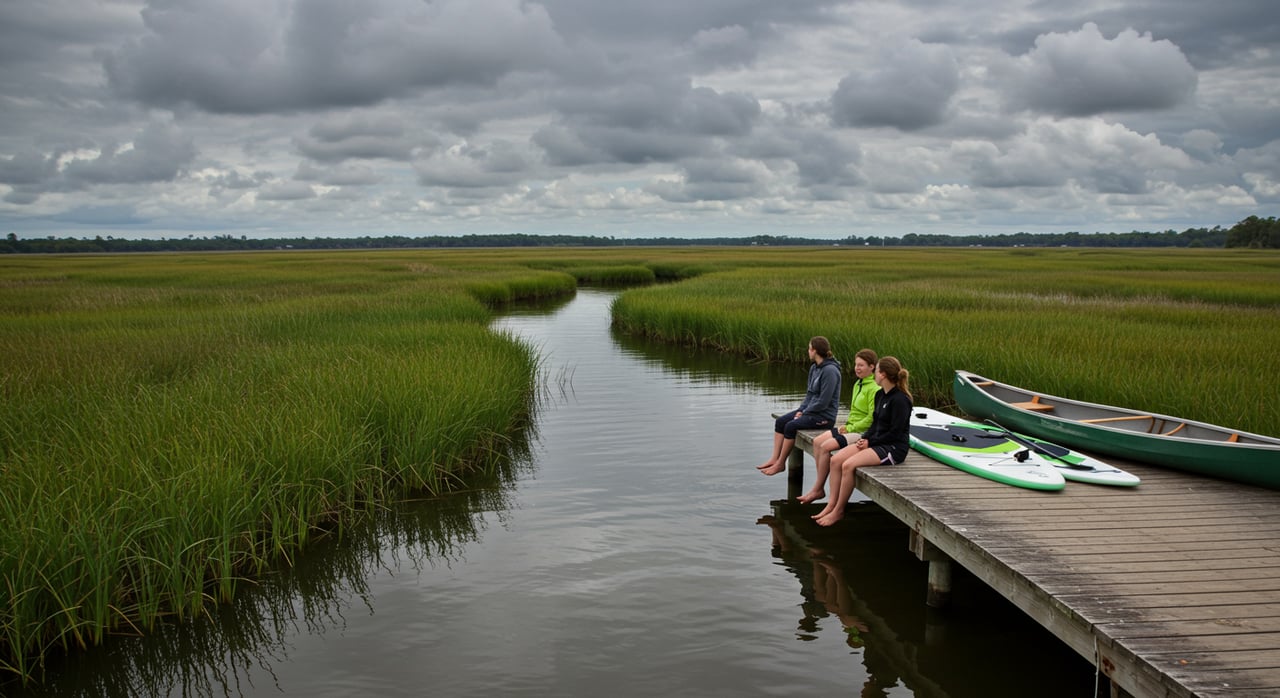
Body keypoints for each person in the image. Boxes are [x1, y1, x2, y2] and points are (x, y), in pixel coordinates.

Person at [813, 356, 912, 526]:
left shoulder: (901, 400)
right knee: (836, 460)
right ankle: (831, 504)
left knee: (848, 465)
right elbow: (875, 424)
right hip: (877, 442)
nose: (874, 375)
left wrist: (870, 443)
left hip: (893, 448)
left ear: (883, 374)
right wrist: (865, 438)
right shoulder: (880, 395)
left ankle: (839, 511)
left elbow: (895, 433)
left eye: (877, 371)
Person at [797, 348, 879, 504]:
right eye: (856, 365)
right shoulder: (858, 384)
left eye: (861, 365)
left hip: (861, 432)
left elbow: (871, 418)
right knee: (817, 441)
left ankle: (818, 488)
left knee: (826, 446)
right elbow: (855, 412)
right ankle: (819, 487)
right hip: (850, 427)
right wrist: (847, 426)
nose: (857, 368)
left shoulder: (875, 389)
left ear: (872, 367)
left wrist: (850, 428)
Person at [757, 337, 842, 476]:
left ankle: (780, 464)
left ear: (814, 351)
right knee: (781, 422)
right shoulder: (814, 368)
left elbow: (824, 401)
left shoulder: (830, 371)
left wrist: (805, 412)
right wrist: (801, 410)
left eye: (809, 348)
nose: (808, 351)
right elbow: (810, 394)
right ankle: (774, 458)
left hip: (824, 416)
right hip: (811, 411)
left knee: (790, 426)